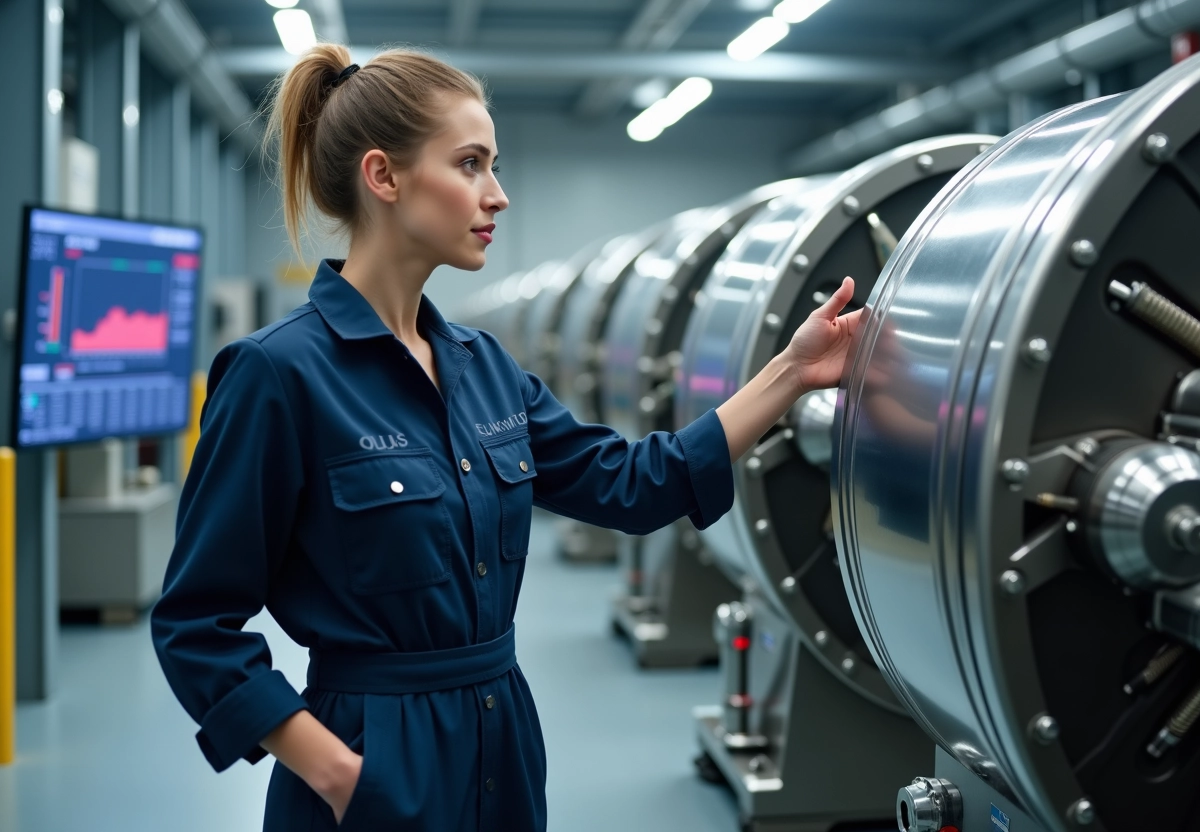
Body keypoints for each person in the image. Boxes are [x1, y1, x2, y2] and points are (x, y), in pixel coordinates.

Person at [151, 43, 860, 832]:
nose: (498, 195)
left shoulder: (482, 367)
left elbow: (630, 485)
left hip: (502, 745)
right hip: (370, 760)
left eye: (494, 165)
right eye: (470, 165)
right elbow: (195, 622)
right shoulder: (278, 373)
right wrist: (343, 777)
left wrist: (791, 373)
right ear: (384, 177)